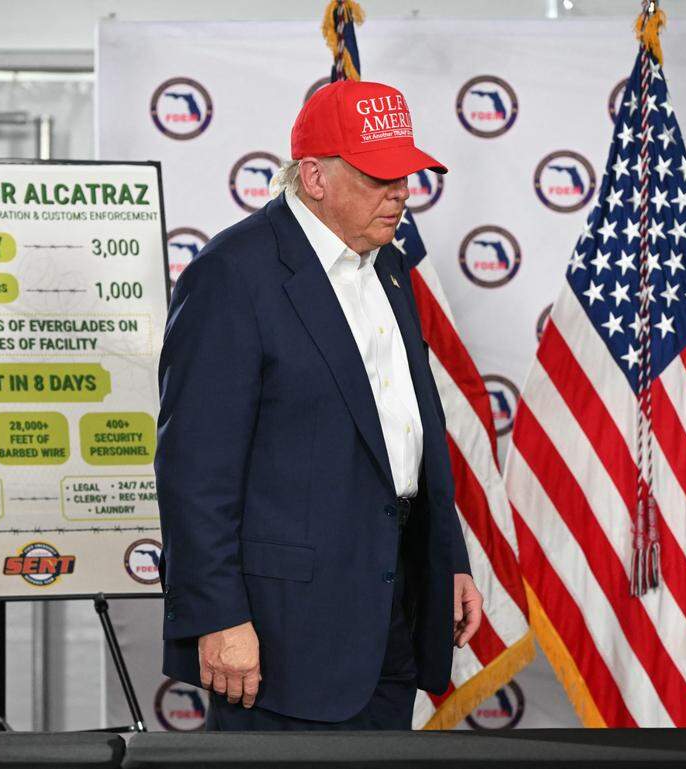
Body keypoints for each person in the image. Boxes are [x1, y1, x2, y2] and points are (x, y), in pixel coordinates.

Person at [154, 79, 483, 731]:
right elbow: (195, 471)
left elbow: (409, 429)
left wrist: (447, 560)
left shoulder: (389, 267)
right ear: (314, 177)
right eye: (379, 176)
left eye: (407, 175)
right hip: (282, 640)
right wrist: (218, 614)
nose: (400, 194)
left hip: (393, 618)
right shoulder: (231, 276)